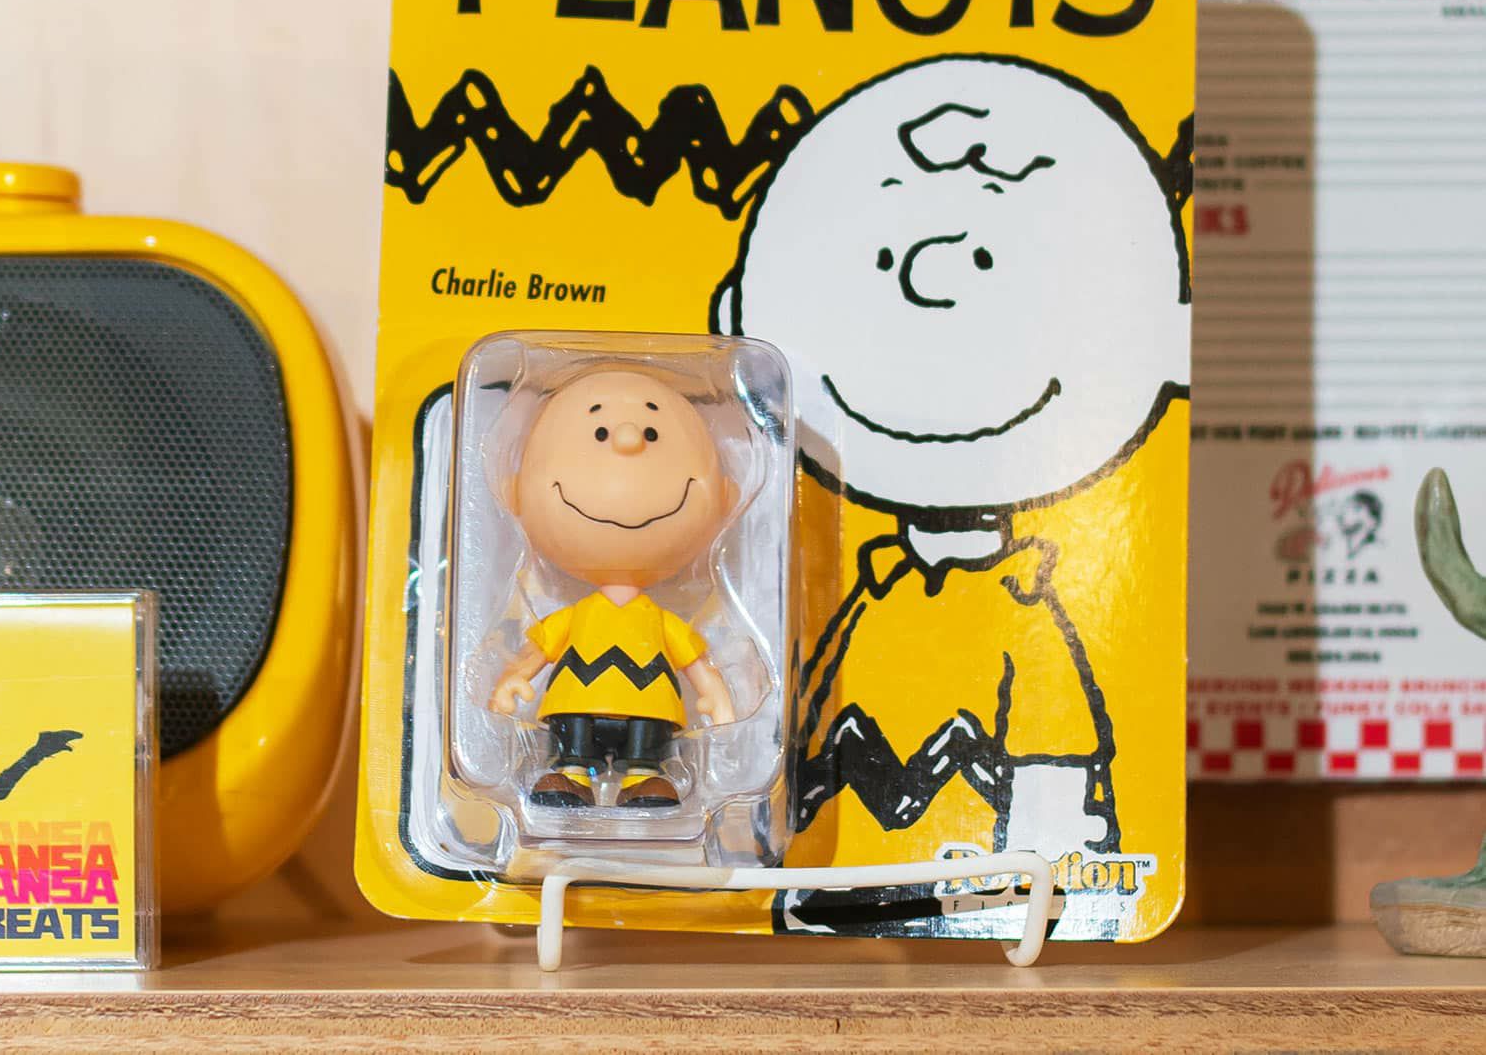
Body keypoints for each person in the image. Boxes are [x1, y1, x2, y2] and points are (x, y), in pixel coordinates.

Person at [714, 53, 1191, 854]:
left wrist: (1043, 852)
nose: (931, 283)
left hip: (1006, 883)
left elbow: (1051, 753)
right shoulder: (869, 597)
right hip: (820, 872)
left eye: (984, 261)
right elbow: (814, 731)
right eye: (886, 263)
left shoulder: (1020, 611)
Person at [485, 368, 738, 809]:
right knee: (573, 737)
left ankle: (643, 778)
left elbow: (695, 662)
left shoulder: (659, 622)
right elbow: (536, 653)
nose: (627, 438)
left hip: (648, 707)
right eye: (599, 431)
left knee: (647, 743)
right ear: (515, 494)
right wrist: (512, 679)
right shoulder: (577, 617)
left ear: (726, 499)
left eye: (652, 433)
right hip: (577, 701)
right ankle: (570, 774)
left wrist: (715, 694)